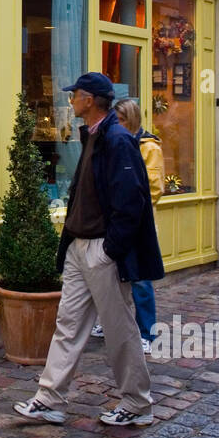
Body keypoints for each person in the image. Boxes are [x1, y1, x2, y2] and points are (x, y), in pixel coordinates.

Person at [14, 72, 165, 427]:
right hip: (81, 247)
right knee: (68, 324)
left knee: (119, 328)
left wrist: (110, 250)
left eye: (76, 94)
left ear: (92, 100)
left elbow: (132, 202)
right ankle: (49, 398)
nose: (71, 100)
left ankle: (138, 403)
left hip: (100, 249)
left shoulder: (116, 139)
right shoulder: (96, 136)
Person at [91, 99, 161, 352]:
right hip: (115, 221)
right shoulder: (113, 142)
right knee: (112, 275)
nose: (117, 124)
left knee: (140, 278)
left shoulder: (147, 146)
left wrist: (131, 208)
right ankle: (109, 323)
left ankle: (147, 332)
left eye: (121, 119)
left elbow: (153, 187)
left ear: (130, 119)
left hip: (139, 224)